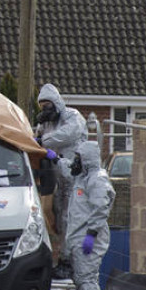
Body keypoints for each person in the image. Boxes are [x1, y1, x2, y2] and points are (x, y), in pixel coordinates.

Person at [61, 141, 115, 290]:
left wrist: (91, 234)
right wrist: (54, 158)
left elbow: (101, 208)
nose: (75, 162)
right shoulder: (82, 178)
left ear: (87, 160)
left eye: (78, 158)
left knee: (87, 278)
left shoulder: (97, 179)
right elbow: (67, 169)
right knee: (81, 278)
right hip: (79, 237)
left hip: (90, 238)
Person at [36, 83, 88, 279]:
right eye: (41, 106)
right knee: (58, 219)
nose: (44, 110)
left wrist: (43, 141)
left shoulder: (73, 117)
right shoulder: (48, 123)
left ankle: (70, 262)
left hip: (75, 180)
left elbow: (66, 135)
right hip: (60, 178)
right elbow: (38, 139)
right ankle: (63, 260)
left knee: (69, 219)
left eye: (47, 105)